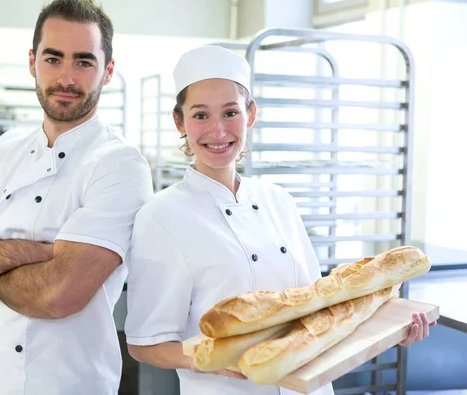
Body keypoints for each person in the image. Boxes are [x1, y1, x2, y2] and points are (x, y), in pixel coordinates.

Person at [124, 45, 435, 395]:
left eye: (230, 112)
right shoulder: (162, 215)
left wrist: (390, 329)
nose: (217, 129)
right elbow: (143, 343)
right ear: (179, 121)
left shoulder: (278, 200)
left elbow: (318, 305)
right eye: (200, 115)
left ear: (250, 114)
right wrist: (201, 359)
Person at [0, 0, 153, 394]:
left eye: (84, 61)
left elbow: (57, 296)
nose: (66, 77)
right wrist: (39, 255)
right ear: (32, 62)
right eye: (53, 58)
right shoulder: (6, 149)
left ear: (108, 71)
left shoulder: (120, 164)